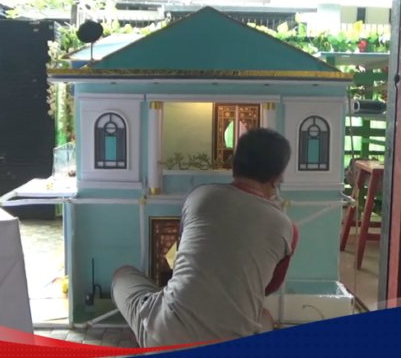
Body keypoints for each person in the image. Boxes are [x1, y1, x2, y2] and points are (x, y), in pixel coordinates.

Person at [111, 128, 299, 347]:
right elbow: (267, 288)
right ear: (277, 178)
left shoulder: (200, 197)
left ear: (234, 164)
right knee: (265, 318)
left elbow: (179, 257)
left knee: (122, 276)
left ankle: (145, 330)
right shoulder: (288, 229)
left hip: (165, 336)